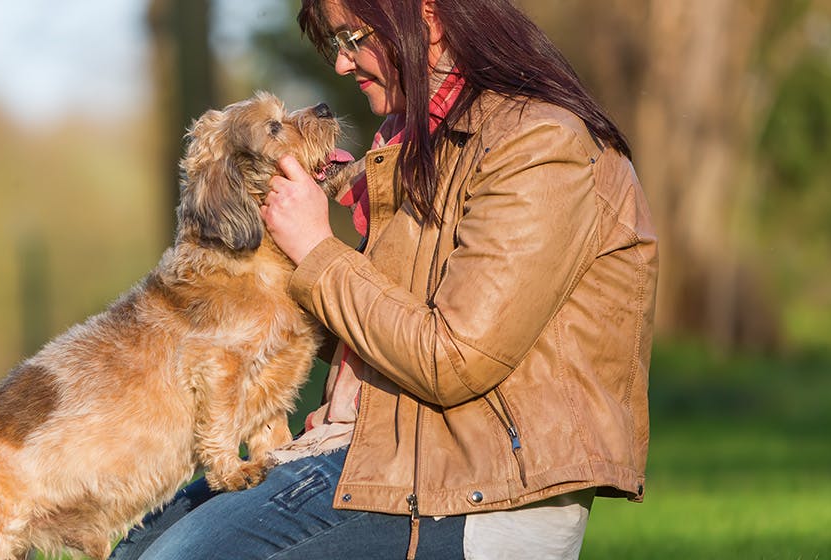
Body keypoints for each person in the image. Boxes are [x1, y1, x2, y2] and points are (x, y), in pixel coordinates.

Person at [111, 0, 657, 557]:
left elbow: (454, 357)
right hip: (375, 447)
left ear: (427, 16)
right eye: (335, 44)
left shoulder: (540, 144)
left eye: (353, 38)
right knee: (134, 547)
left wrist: (316, 249)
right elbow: (378, 328)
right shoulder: (418, 140)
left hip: (474, 487)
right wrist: (240, 290)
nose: (342, 65)